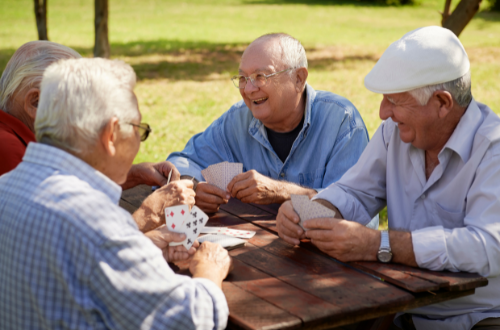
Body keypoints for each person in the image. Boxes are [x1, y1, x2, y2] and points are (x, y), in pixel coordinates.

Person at [276, 26, 500, 330]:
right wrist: (312, 210)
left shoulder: (493, 149)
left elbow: (487, 246)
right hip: (401, 307)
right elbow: (355, 191)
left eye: (395, 101)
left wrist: (379, 244)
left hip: (479, 318)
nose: (383, 113)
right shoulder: (395, 132)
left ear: (442, 103)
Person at [0, 58, 231, 330]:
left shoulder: (7, 185)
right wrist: (209, 267)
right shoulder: (96, 221)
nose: (137, 143)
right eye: (138, 130)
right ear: (111, 134)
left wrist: (143, 248)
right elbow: (192, 319)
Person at [167, 33, 373, 219]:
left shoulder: (341, 121)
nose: (248, 89)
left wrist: (281, 192)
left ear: (298, 79)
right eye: (243, 78)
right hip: (256, 254)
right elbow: (181, 162)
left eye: (261, 76)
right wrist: (192, 186)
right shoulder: (237, 120)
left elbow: (353, 211)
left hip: (322, 256)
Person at [0, 40, 181, 189]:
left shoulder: (25, 139)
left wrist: (132, 174)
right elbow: (64, 222)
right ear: (35, 103)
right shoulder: (10, 151)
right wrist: (150, 215)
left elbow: (69, 186)